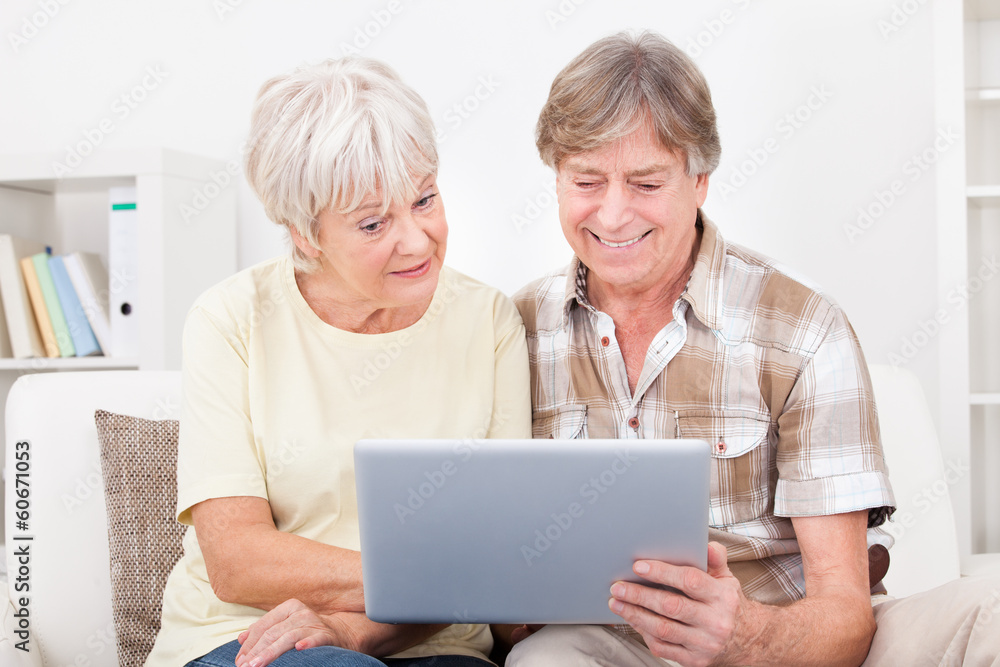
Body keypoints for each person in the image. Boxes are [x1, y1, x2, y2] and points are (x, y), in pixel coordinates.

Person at [504, 31, 1000, 667]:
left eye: (647, 183)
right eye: (587, 181)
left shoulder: (801, 327)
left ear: (700, 179)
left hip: (793, 640)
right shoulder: (513, 331)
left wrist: (749, 637)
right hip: (607, 643)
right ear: (557, 178)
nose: (614, 213)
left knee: (990, 612)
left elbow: (845, 618)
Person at [144, 56, 531, 667]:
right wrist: (441, 576)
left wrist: (359, 629)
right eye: (373, 223)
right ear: (305, 233)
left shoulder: (488, 322)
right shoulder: (230, 319)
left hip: (433, 643)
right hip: (251, 635)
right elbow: (238, 560)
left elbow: (498, 555)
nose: (416, 239)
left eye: (425, 199)